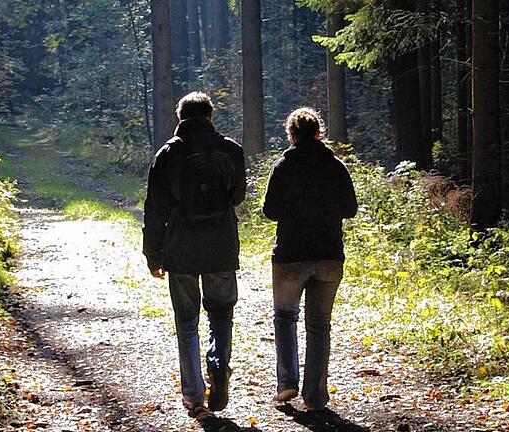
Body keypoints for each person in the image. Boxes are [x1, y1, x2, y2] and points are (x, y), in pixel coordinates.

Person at [142, 91, 246, 418]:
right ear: (210, 116)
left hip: (181, 249)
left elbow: (155, 210)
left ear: (179, 117)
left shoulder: (168, 154)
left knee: (187, 323)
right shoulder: (231, 150)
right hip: (221, 246)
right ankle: (218, 364)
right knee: (221, 314)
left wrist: (153, 255)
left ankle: (194, 396)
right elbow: (238, 196)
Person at [262, 107, 357, 412]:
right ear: (319, 133)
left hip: (290, 255)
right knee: (319, 325)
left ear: (291, 135)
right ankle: (315, 395)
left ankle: (287, 383)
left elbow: (269, 211)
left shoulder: (283, 166)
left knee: (286, 318)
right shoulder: (336, 167)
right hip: (329, 254)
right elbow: (350, 209)